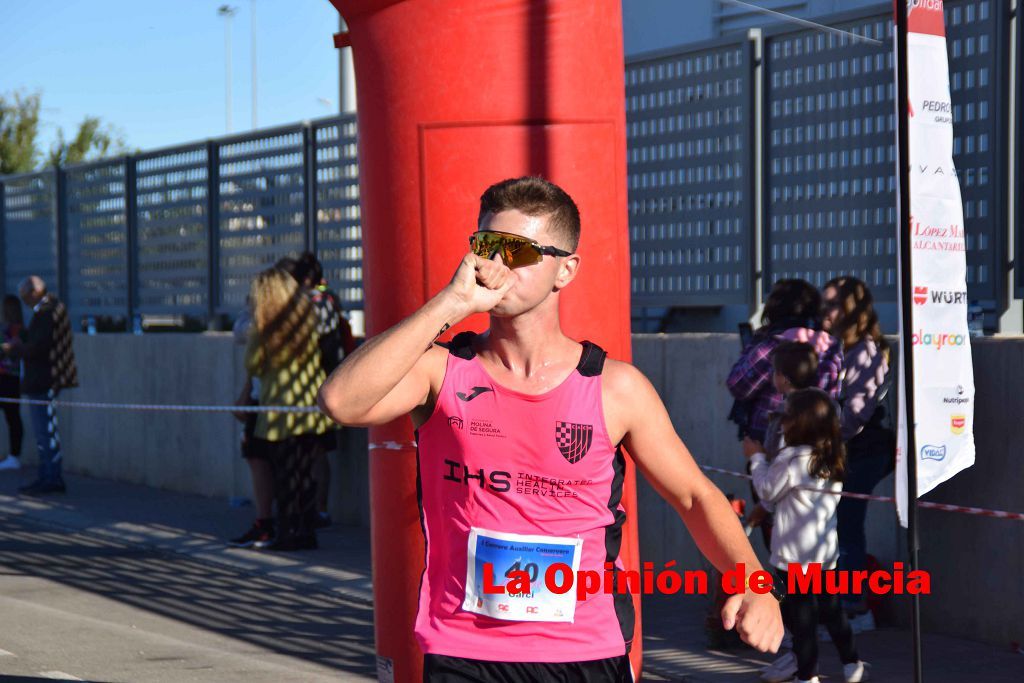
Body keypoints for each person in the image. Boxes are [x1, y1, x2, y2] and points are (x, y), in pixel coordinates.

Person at [318, 176, 783, 681]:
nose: (496, 265)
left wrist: (754, 582)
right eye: (486, 245)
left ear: (565, 270)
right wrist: (450, 306)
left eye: (518, 251)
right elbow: (341, 401)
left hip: (585, 651)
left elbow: (694, 496)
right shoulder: (442, 370)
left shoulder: (614, 387)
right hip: (464, 650)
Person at [745, 388, 871, 683]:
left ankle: (807, 675)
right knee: (832, 611)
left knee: (801, 621)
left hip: (792, 559)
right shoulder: (832, 457)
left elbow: (767, 490)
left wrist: (756, 459)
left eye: (786, 417)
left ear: (797, 424)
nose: (781, 423)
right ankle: (852, 664)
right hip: (825, 557)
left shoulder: (791, 459)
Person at [822, 276, 895, 632]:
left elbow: (854, 415)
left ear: (851, 310)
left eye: (833, 304)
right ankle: (841, 605)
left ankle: (855, 609)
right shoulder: (836, 347)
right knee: (836, 527)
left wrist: (818, 427)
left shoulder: (864, 351)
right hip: (845, 450)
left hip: (864, 451)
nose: (825, 311)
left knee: (848, 525)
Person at [246, 266, 333, 551]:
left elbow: (253, 364)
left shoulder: (264, 326)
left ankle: (287, 533)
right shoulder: (305, 318)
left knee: (284, 474)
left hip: (280, 413)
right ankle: (306, 531)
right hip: (309, 408)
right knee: (305, 473)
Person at [727, 279, 844, 444]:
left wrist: (754, 345)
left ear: (775, 309)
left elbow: (738, 385)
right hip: (819, 442)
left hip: (772, 441)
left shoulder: (774, 344)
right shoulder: (830, 346)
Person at [292, 252, 354, 528]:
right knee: (318, 451)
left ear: (304, 279)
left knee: (315, 451)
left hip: (320, 384)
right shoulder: (330, 298)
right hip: (330, 379)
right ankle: (318, 508)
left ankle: (318, 508)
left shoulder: (315, 304)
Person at [1, 277, 78, 495]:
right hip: (46, 377)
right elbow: (38, 340)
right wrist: (23, 338)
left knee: (45, 431)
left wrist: (14, 348)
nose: (25, 303)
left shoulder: (46, 311)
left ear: (35, 292)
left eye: (26, 298)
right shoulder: (51, 308)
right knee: (46, 430)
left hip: (43, 377)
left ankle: (51, 477)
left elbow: (39, 346)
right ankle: (48, 475)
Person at [228, 296, 276, 549]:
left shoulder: (266, 326)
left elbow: (252, 363)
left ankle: (265, 522)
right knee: (261, 460)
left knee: (259, 461)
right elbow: (239, 332)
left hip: (266, 402)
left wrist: (244, 395)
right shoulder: (270, 324)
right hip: (269, 401)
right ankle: (268, 522)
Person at [0, 295, 25, 471]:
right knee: (12, 417)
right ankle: (13, 455)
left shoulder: (19, 331)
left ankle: (14, 456)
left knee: (12, 417)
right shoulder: (10, 329)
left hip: (10, 378)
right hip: (9, 378)